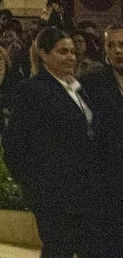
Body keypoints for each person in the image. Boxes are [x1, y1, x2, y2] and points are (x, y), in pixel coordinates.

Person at [4, 27, 110, 258]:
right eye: (63, 52)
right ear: (43, 53)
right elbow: (14, 147)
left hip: (86, 192)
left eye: (72, 51)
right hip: (56, 197)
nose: (71, 57)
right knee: (58, 250)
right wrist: (38, 192)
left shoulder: (76, 88)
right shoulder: (33, 90)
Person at [80, 24, 123, 255]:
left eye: (122, 45)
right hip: (107, 182)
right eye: (111, 45)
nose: (117, 51)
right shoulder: (92, 82)